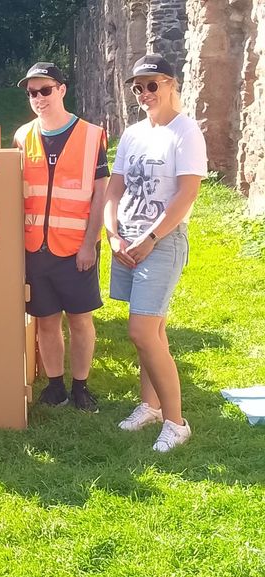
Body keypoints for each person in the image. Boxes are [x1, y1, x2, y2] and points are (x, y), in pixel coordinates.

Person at [105, 54, 207, 452]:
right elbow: (115, 189)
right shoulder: (132, 134)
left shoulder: (185, 132)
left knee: (142, 330)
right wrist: (112, 235)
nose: (145, 93)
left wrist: (150, 238)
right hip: (126, 240)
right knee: (153, 332)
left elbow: (187, 193)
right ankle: (149, 406)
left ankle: (176, 422)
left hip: (161, 242)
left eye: (152, 85)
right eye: (138, 87)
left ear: (170, 84)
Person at [13, 62, 109, 412]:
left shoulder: (91, 134)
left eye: (45, 90)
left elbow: (100, 193)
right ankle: (56, 386)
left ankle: (81, 386)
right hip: (34, 247)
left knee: (81, 319)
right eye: (32, 93)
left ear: (62, 90)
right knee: (46, 320)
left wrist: (90, 243)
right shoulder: (22, 136)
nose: (38, 98)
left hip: (76, 248)